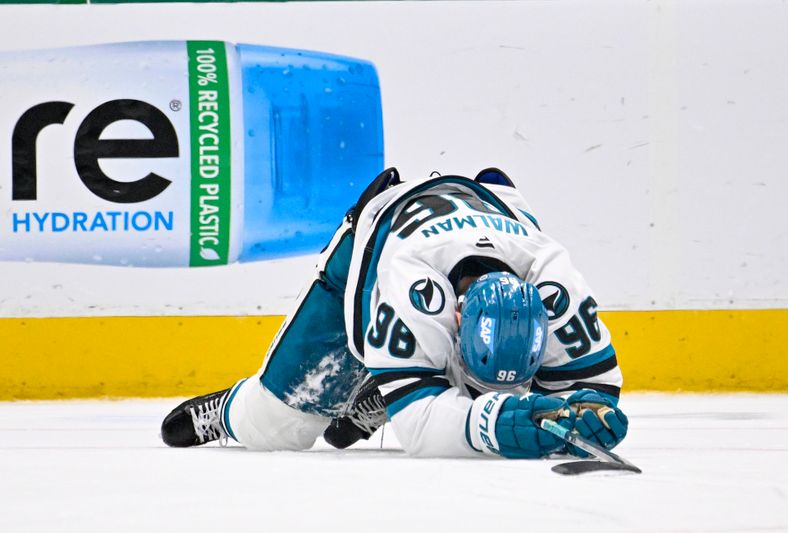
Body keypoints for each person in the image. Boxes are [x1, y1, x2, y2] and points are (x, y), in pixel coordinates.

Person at [161, 167, 628, 459]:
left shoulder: (554, 282)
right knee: (282, 427)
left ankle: (393, 384)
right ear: (458, 319)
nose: (484, 392)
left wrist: (590, 413)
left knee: (441, 376)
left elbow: (594, 386)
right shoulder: (414, 287)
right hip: (373, 244)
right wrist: (496, 427)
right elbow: (423, 427)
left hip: (494, 216)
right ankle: (229, 411)